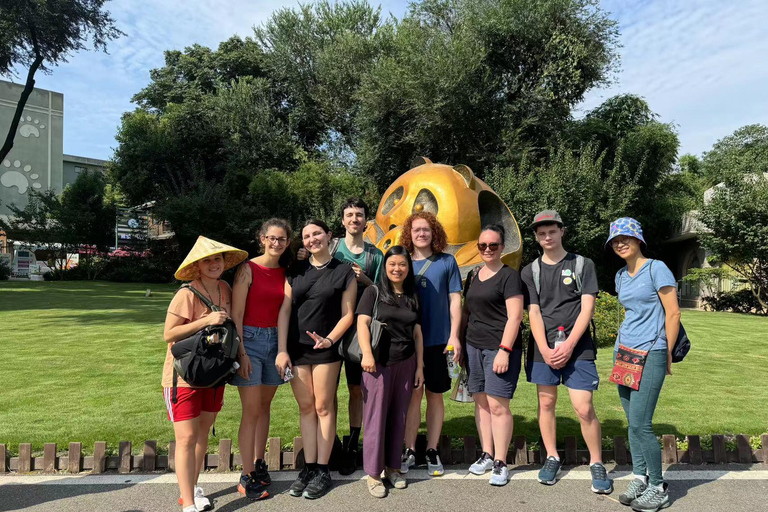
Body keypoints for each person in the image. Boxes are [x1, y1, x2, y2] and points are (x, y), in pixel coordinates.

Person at [520, 210, 613, 494]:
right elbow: (533, 312)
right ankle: (552, 456)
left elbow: (588, 307)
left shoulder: (583, 264)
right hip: (543, 347)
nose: (547, 237)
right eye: (541, 233)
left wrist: (570, 344)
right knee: (546, 404)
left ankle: (596, 462)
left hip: (578, 346)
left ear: (562, 231)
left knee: (583, 407)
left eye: (551, 231)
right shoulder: (530, 271)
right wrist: (546, 350)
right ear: (536, 237)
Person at [297, 198, 383, 474]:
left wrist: (365, 280)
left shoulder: (375, 255)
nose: (354, 219)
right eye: (349, 215)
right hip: (328, 330)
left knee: (358, 389)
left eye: (359, 215)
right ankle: (330, 445)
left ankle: (353, 443)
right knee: (326, 394)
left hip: (360, 333)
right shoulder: (329, 248)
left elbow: (384, 292)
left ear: (366, 221)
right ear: (342, 221)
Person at [162, 236, 247, 512]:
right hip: (183, 376)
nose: (213, 264)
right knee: (186, 438)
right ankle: (187, 503)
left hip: (214, 374)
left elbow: (233, 326)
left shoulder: (225, 288)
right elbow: (169, 334)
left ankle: (193, 488)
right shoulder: (186, 294)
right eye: (207, 260)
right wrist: (206, 320)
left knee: (201, 436)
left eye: (217, 259)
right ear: (197, 267)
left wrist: (241, 355)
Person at [278, 219, 357, 499]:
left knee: (324, 407)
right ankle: (309, 468)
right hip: (296, 349)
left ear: (328, 236)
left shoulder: (344, 271)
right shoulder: (295, 271)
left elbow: (348, 314)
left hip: (327, 350)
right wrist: (282, 349)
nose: (312, 239)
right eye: (307, 236)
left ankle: (323, 470)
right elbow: (285, 310)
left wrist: (330, 340)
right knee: (306, 408)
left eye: (317, 234)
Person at [607, 217, 680, 512]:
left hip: (651, 352)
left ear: (638, 240)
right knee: (632, 424)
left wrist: (668, 353)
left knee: (641, 424)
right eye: (615, 240)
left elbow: (673, 313)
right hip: (623, 352)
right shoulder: (621, 276)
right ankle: (640, 476)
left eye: (625, 237)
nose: (620, 243)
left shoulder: (656, 268)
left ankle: (657, 486)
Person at [230, 219, 293, 500]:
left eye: (281, 239)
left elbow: (284, 312)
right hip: (250, 341)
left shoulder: (286, 272)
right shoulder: (248, 269)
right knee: (251, 409)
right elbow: (237, 315)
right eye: (272, 238)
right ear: (262, 238)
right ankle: (245, 476)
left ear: (288, 242)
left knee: (265, 406)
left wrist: (282, 349)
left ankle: (258, 462)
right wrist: (241, 352)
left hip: (275, 341)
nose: (276, 243)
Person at [357, 245, 425, 497]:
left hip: (405, 362)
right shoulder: (373, 292)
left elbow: (417, 333)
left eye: (402, 264)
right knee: (376, 418)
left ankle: (394, 468)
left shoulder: (412, 295)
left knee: (399, 417)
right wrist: (366, 353)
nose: (397, 269)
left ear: (408, 268)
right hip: (378, 364)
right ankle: (374, 474)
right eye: (392, 264)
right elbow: (362, 323)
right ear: (385, 267)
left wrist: (419, 366)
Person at [400, 212, 462, 476]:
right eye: (416, 230)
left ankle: (432, 449)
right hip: (408, 342)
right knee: (412, 396)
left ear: (434, 232)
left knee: (434, 395)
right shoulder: (401, 261)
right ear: (409, 233)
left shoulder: (447, 261)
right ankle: (410, 449)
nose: (421, 234)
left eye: (426, 229)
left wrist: (454, 335)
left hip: (438, 340)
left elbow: (455, 300)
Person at [461, 225, 524, 487]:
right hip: (473, 346)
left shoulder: (510, 277)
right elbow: (467, 312)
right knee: (481, 403)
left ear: (502, 247)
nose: (487, 250)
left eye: (493, 245)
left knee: (498, 405)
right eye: (482, 245)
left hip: (499, 348)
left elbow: (515, 317)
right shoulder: (474, 275)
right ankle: (487, 454)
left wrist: (504, 351)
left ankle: (500, 461)